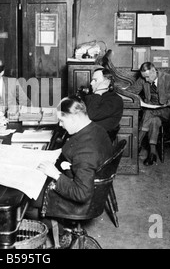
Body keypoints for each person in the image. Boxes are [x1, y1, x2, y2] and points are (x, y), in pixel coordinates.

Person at [35, 95, 113, 247]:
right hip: (89, 183)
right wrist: (68, 166)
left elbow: (81, 193)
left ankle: (61, 234)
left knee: (28, 200)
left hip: (83, 200)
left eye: (62, 120)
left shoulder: (86, 151)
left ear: (75, 117)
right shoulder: (96, 129)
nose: (60, 125)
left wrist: (55, 174)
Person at [126, 62, 170, 166]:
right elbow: (131, 91)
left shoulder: (169, 79)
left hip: (169, 112)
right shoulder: (143, 78)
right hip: (154, 112)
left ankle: (136, 144)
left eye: (147, 77)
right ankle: (152, 153)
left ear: (153, 71)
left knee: (148, 112)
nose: (146, 80)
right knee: (154, 120)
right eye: (144, 77)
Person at [84, 67, 124, 138]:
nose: (91, 83)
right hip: (90, 135)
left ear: (106, 82)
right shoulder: (94, 96)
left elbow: (92, 114)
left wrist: (98, 92)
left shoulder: (115, 100)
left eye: (95, 80)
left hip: (98, 140)